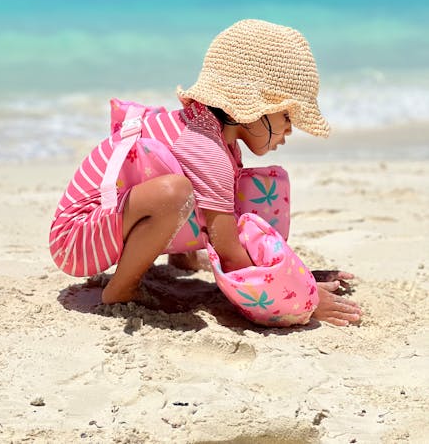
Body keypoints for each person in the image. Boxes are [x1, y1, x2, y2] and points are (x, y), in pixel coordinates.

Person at [49, 19, 361, 327]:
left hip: (101, 226)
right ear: (253, 109)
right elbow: (228, 252)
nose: (290, 129)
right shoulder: (206, 148)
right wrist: (303, 295)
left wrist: (299, 272)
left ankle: (181, 258)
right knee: (175, 194)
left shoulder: (208, 128)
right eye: (287, 115)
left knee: (224, 194)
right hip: (76, 241)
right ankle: (121, 290)